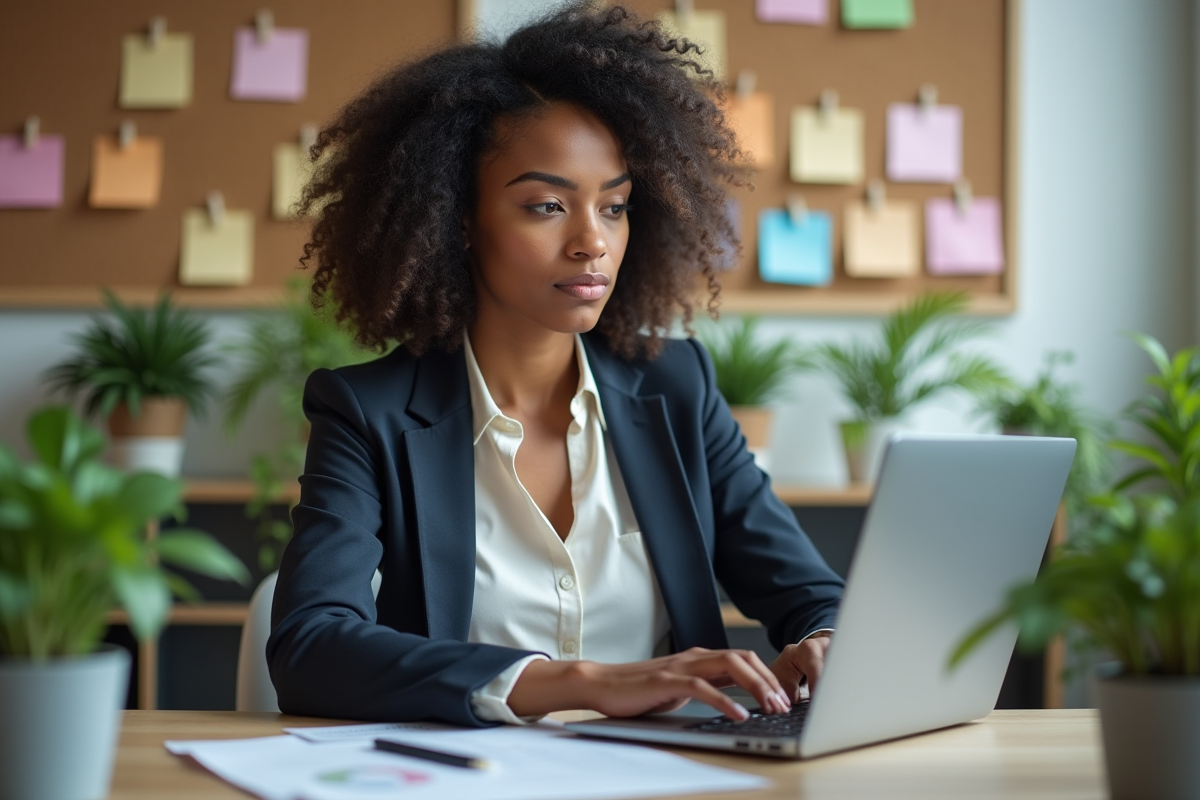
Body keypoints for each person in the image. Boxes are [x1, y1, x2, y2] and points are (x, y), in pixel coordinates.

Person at [267, 1, 844, 728]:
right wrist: (581, 683)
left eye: (615, 206)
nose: (591, 242)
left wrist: (826, 640)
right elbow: (310, 648)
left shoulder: (677, 389)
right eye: (546, 206)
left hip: (677, 776)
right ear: (459, 221)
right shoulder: (368, 414)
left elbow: (810, 592)